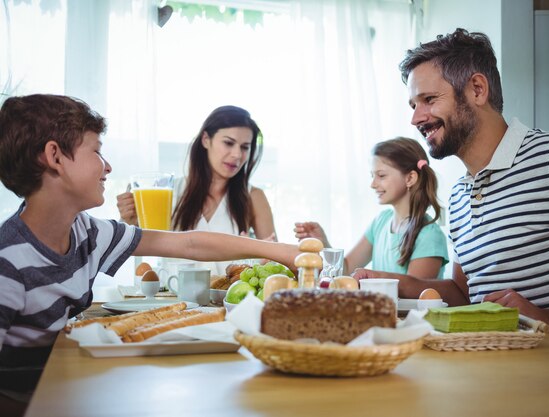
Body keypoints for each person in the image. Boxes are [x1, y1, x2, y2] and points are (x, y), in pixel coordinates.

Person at [0, 94, 300, 412]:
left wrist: (281, 251)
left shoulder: (87, 231)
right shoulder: (8, 262)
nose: (108, 166)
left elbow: (189, 244)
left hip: (63, 387)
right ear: (55, 157)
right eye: (98, 151)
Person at [353, 28, 549, 349]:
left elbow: (546, 321)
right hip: (507, 377)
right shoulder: (458, 197)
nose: (416, 118)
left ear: (477, 89)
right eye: (413, 104)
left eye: (428, 100)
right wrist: (403, 283)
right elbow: (464, 294)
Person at [116, 105, 276, 274]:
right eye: (228, 143)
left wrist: (259, 257)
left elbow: (276, 265)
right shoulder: (167, 192)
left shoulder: (254, 197)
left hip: (226, 298)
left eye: (245, 147)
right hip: (173, 297)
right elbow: (127, 250)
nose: (237, 154)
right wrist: (128, 222)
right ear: (206, 139)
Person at [295, 137, 449, 292]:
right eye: (372, 176)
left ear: (410, 178)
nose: (373, 184)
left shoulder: (429, 235)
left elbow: (414, 291)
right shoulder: (381, 221)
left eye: (381, 176)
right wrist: (324, 243)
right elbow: (347, 268)